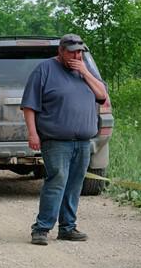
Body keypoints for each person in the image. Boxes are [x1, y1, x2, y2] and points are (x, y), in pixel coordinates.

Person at [22, 34, 108, 246]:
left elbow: (102, 95)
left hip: (83, 140)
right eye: (72, 51)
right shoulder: (44, 70)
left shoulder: (85, 69)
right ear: (60, 51)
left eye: (79, 51)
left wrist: (85, 72)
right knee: (57, 181)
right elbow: (30, 106)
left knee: (75, 184)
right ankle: (41, 229)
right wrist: (33, 133)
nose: (76, 55)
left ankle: (67, 227)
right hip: (56, 140)